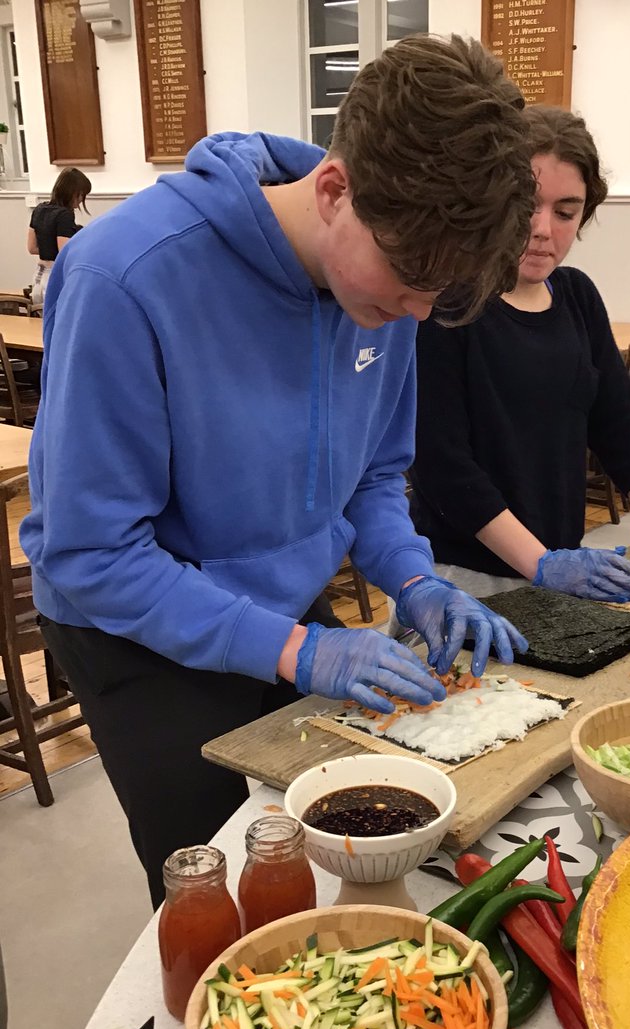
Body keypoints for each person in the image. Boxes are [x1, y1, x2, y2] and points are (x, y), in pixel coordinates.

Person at [22, 35, 536, 908]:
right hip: (136, 627)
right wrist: (299, 649)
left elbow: (374, 477)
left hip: (285, 606)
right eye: (410, 282)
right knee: (228, 881)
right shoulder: (127, 275)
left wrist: (415, 580)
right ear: (334, 190)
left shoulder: (394, 277)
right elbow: (92, 556)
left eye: (438, 298)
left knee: (334, 849)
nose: (414, 312)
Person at [408, 105, 630, 606]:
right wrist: (539, 562)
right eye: (525, 206)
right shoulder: (446, 304)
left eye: (565, 211)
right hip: (462, 577)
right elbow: (441, 464)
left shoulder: (576, 295)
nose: (542, 229)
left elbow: (618, 420)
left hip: (560, 564)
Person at [26, 167, 91, 311]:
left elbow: (31, 248)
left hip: (38, 277)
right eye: (82, 195)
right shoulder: (65, 215)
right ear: (74, 193)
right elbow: (64, 252)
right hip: (54, 278)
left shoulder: (39, 209)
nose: (81, 200)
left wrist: (48, 248)